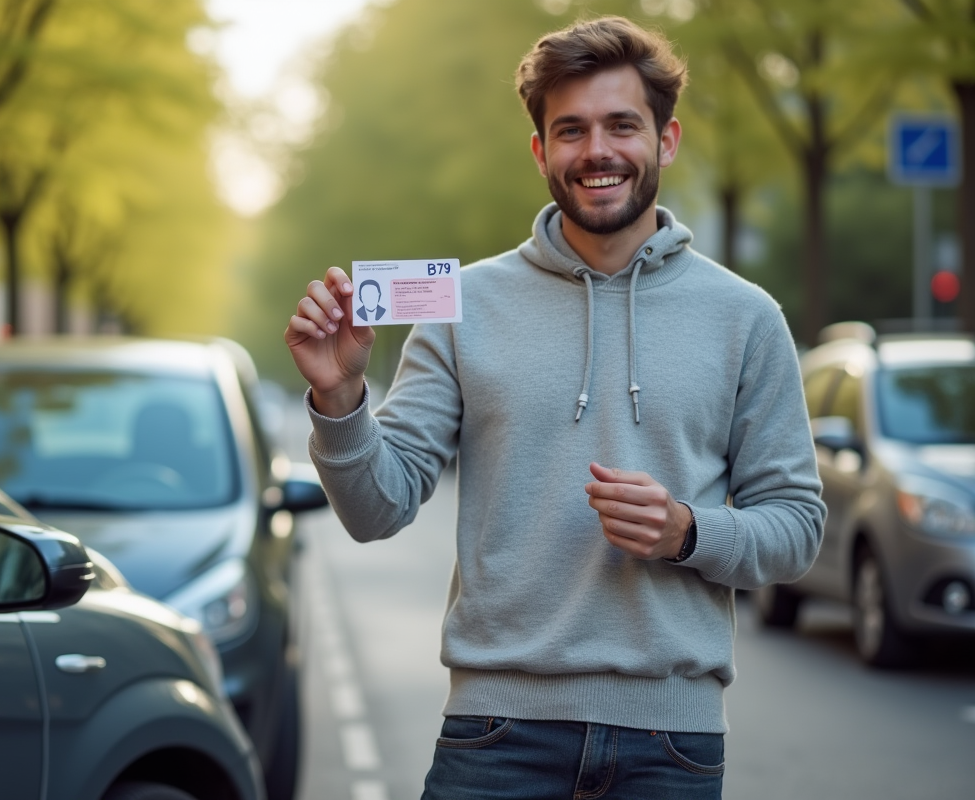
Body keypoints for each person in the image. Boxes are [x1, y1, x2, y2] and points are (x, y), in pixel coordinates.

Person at [284, 15, 824, 800]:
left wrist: (688, 532)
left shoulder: (746, 317)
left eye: (622, 125)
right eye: (570, 130)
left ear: (666, 141)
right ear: (541, 151)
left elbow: (799, 528)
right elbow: (378, 509)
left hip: (672, 745)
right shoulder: (459, 303)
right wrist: (338, 399)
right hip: (495, 736)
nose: (597, 151)